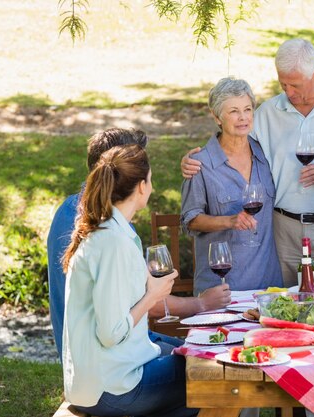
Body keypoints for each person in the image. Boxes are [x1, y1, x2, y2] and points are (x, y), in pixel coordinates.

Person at [181, 39, 314, 289]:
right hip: (284, 235)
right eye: (282, 83)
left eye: (295, 85)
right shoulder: (267, 112)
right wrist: (193, 161)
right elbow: (231, 143)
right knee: (287, 311)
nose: (288, 92)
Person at [47, 128, 230, 360]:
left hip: (92, 350)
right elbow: (141, 302)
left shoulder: (74, 209)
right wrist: (201, 304)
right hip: (106, 358)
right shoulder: (105, 227)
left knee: (195, 353)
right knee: (202, 363)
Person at [61, 144, 197, 417]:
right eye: (150, 180)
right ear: (142, 187)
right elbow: (110, 334)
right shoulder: (113, 242)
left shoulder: (107, 230)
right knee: (212, 375)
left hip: (96, 380)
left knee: (192, 353)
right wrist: (153, 296)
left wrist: (142, 280)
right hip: (111, 389)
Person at [181, 77, 283, 294]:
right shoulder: (200, 163)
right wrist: (229, 220)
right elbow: (190, 221)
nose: (243, 117)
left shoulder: (266, 154)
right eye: (234, 111)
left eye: (247, 109)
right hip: (221, 287)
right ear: (217, 116)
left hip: (269, 285)